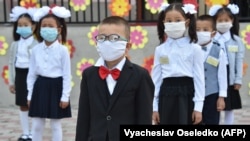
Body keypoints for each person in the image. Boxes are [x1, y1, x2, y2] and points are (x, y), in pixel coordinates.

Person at [75, 16, 154, 141]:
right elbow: (83, 117)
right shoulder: (88, 75)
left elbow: (144, 118)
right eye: (102, 38)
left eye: (114, 38)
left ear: (127, 46)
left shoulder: (140, 75)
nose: (107, 42)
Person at [152, 2, 205, 125]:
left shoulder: (195, 48)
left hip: (187, 95)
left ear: (186, 22)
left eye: (177, 20)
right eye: (169, 21)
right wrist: (154, 107)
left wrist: (198, 107)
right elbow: (156, 80)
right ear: (163, 23)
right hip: (166, 95)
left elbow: (199, 78)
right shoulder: (160, 50)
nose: (173, 24)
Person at [26, 6, 72, 141]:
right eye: (43, 26)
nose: (47, 28)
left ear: (58, 29)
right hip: (40, 87)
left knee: (56, 124)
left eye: (50, 26)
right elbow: (32, 74)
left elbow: (66, 75)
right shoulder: (35, 50)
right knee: (37, 124)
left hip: (56, 87)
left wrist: (65, 96)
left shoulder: (63, 50)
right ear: (40, 29)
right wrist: (29, 94)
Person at [209, 3, 245, 125]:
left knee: (229, 107)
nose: (223, 23)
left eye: (226, 20)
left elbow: (239, 61)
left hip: (230, 77)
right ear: (215, 21)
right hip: (215, 76)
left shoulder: (237, 41)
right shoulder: (211, 39)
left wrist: (238, 80)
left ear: (232, 20)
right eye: (220, 20)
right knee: (215, 106)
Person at [8, 6, 38, 141]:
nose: (22, 27)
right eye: (19, 25)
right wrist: (11, 81)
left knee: (33, 103)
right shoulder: (15, 44)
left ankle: (35, 131)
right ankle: (26, 132)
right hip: (20, 75)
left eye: (25, 25)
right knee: (22, 104)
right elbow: (11, 63)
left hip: (32, 76)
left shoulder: (37, 44)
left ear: (33, 26)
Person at [196, 14, 228, 125]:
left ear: (213, 33)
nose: (201, 32)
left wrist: (221, 97)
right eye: (197, 29)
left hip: (212, 94)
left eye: (205, 30)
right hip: (194, 94)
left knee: (212, 122)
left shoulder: (219, 50)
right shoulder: (191, 50)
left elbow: (222, 75)